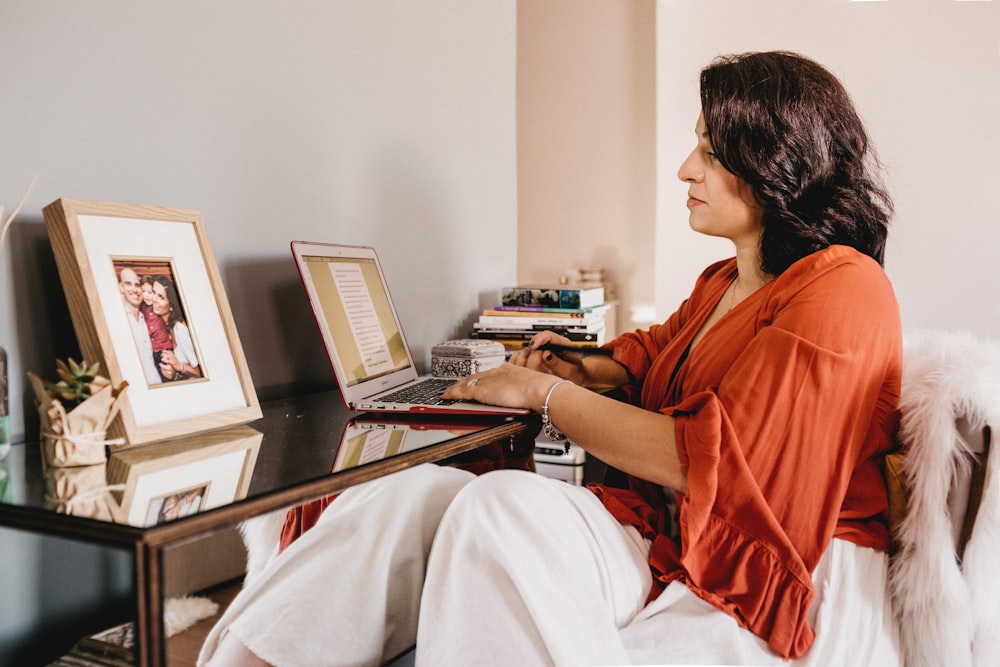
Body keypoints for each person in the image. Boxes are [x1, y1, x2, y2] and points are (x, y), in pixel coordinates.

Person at [200, 51, 902, 666]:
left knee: (499, 509)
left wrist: (538, 395)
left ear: (774, 163)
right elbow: (646, 356)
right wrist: (570, 367)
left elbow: (708, 460)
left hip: (782, 583)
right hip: (670, 542)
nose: (686, 168)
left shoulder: (844, 287)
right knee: (409, 497)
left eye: (711, 154)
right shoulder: (723, 281)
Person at [151, 275, 203, 380]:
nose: (154, 299)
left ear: (171, 305)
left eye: (161, 297)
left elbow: (201, 372)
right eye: (153, 292)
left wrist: (178, 366)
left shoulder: (180, 330)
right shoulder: (166, 325)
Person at [118, 267, 164, 385]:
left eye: (137, 285)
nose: (134, 289)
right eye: (128, 284)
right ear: (121, 288)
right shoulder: (120, 321)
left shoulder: (145, 320)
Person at [139, 274, 175, 381]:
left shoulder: (157, 307)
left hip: (164, 348)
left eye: (150, 292)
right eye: (143, 291)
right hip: (153, 350)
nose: (146, 295)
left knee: (166, 375)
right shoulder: (143, 308)